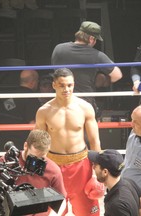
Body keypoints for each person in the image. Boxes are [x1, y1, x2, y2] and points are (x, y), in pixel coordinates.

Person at [35, 68, 103, 216]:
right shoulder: (44, 111)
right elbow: (39, 142)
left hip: (81, 165)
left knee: (88, 211)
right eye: (62, 85)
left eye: (70, 85)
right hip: (54, 166)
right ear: (54, 85)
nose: (66, 89)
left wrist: (96, 171)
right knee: (49, 212)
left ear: (74, 84)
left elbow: (94, 140)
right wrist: (36, 171)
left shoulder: (85, 108)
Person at [51, 21, 123, 113]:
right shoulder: (97, 55)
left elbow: (55, 70)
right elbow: (117, 75)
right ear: (91, 39)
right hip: (85, 103)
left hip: (60, 102)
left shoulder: (58, 49)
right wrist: (102, 81)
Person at [0, 129, 67, 216]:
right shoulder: (7, 162)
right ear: (25, 146)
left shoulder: (53, 170)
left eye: (42, 158)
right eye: (34, 157)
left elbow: (62, 199)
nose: (36, 163)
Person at [88, 149, 141, 216]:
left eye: (96, 165)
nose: (93, 167)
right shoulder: (129, 182)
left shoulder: (116, 205)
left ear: (105, 172)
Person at [0, 69, 41, 149]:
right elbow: (32, 124)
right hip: (20, 144)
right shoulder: (31, 98)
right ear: (33, 82)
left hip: (2, 141)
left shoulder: (9, 95)